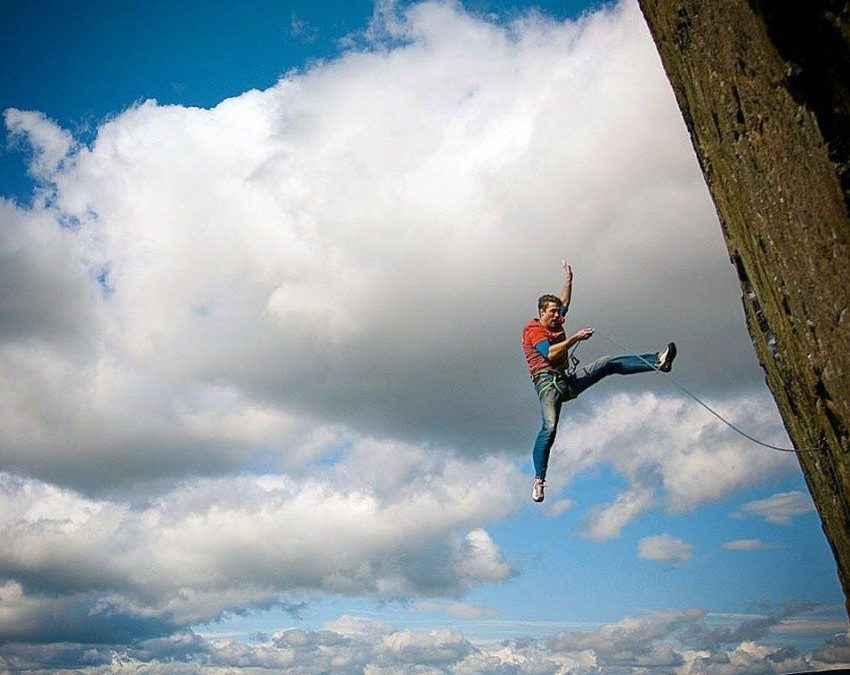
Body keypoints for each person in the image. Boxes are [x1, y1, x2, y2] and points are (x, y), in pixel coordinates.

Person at [522, 261, 676, 503]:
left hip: (567, 382)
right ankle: (539, 480)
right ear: (542, 313)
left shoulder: (556, 317)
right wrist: (574, 338)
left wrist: (569, 280)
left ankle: (658, 361)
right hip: (547, 385)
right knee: (549, 427)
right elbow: (549, 354)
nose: (557, 315)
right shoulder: (534, 330)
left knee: (608, 363)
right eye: (552, 312)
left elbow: (565, 302)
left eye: (557, 311)